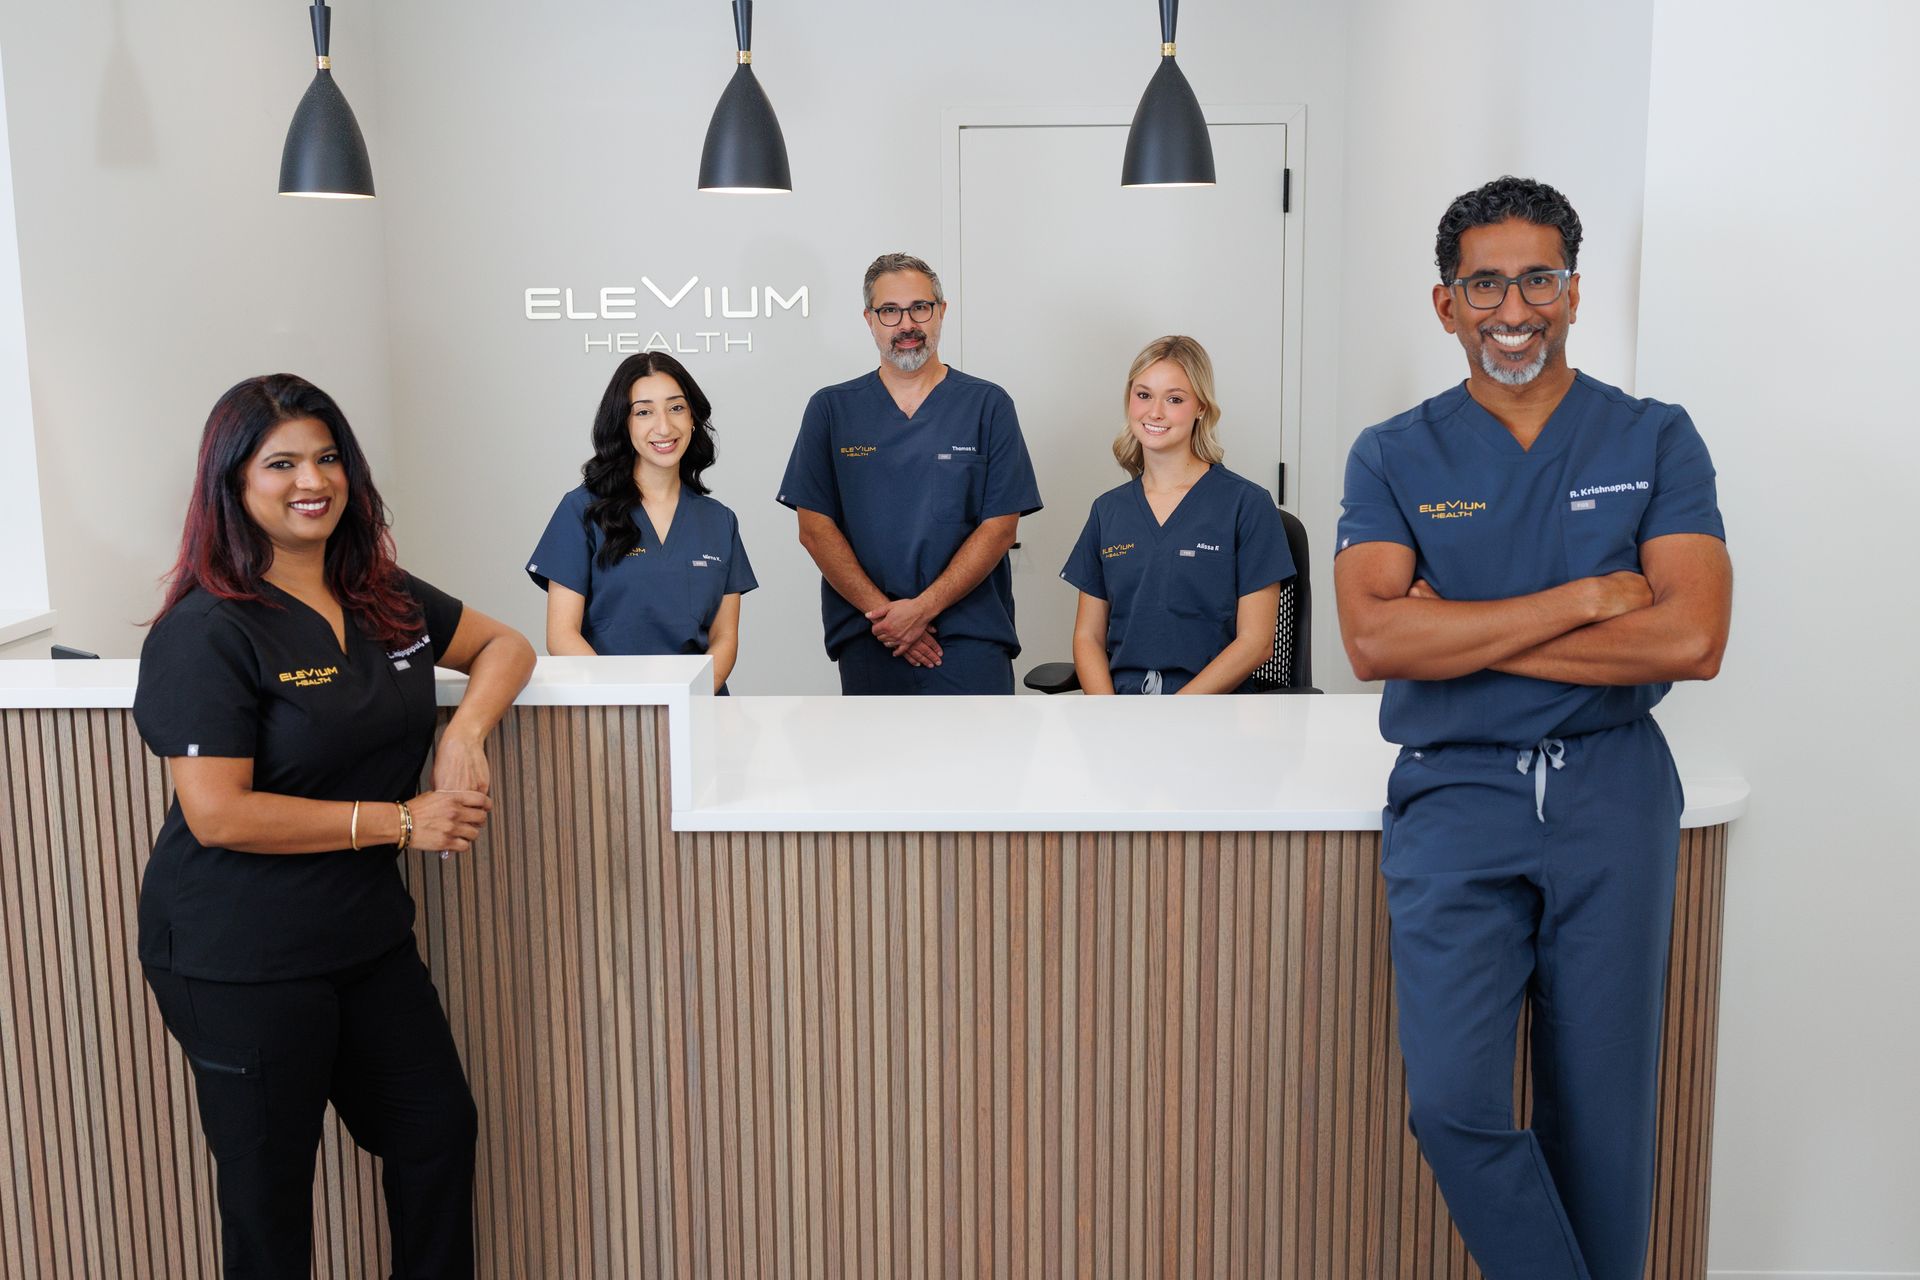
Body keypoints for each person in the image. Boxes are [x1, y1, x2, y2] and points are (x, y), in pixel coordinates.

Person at [1333, 177, 1733, 1279]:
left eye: (1539, 278)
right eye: (1486, 282)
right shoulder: (1394, 451)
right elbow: (1371, 641)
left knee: (1603, 1122)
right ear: (1445, 301)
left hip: (1613, 792)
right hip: (1456, 798)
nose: (1515, 307)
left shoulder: (1654, 436)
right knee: (1454, 1102)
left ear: (1572, 291)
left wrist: (1454, 632)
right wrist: (1579, 599)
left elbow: (1691, 639)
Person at [133, 374, 535, 1278]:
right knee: (272, 1198)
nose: (310, 479)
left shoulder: (379, 593)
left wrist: (464, 733)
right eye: (281, 462)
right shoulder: (207, 630)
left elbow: (506, 645)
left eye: (325, 457)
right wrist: (402, 821)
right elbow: (218, 811)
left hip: (363, 939)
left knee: (435, 1131)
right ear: (232, 483)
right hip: (240, 954)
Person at [777, 252, 1042, 694]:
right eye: (889, 311)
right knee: (874, 764)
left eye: (920, 307)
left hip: (970, 640)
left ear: (941, 311)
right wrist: (888, 616)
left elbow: (999, 527)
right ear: (869, 319)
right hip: (870, 636)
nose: (906, 324)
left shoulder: (987, 405)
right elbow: (814, 529)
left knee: (983, 764)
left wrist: (920, 611)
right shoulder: (832, 409)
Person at [1059, 335, 1294, 694]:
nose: (1155, 412)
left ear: (1200, 407)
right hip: (1122, 713)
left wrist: (1176, 713)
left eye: (1174, 399)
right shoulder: (1108, 511)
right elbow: (1088, 637)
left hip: (1213, 713)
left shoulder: (1246, 505)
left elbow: (1257, 642)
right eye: (1143, 395)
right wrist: (1106, 716)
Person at [527, 352, 756, 692]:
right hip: (612, 712)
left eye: (676, 408)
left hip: (700, 710)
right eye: (644, 411)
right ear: (624, 423)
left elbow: (724, 639)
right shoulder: (582, 510)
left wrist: (687, 698)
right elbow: (561, 636)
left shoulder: (719, 520)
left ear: (693, 417)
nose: (664, 426)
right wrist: (631, 702)